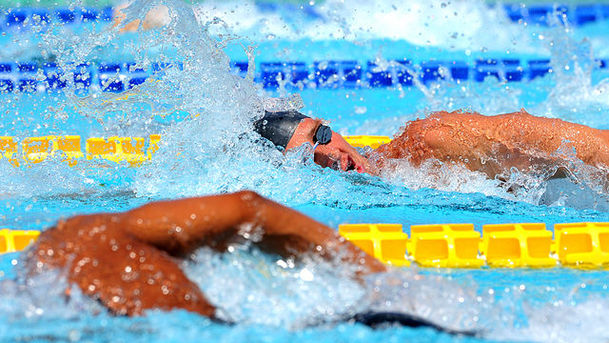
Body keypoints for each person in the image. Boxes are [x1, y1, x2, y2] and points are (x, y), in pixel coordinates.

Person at [24, 191, 475, 335]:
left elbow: (248, 208)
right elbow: (249, 207)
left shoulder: (64, 254)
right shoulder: (96, 235)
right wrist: (381, 278)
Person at [257, 109, 609, 181]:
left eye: (321, 137)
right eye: (307, 158)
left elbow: (588, 146)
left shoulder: (432, 141)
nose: (328, 155)